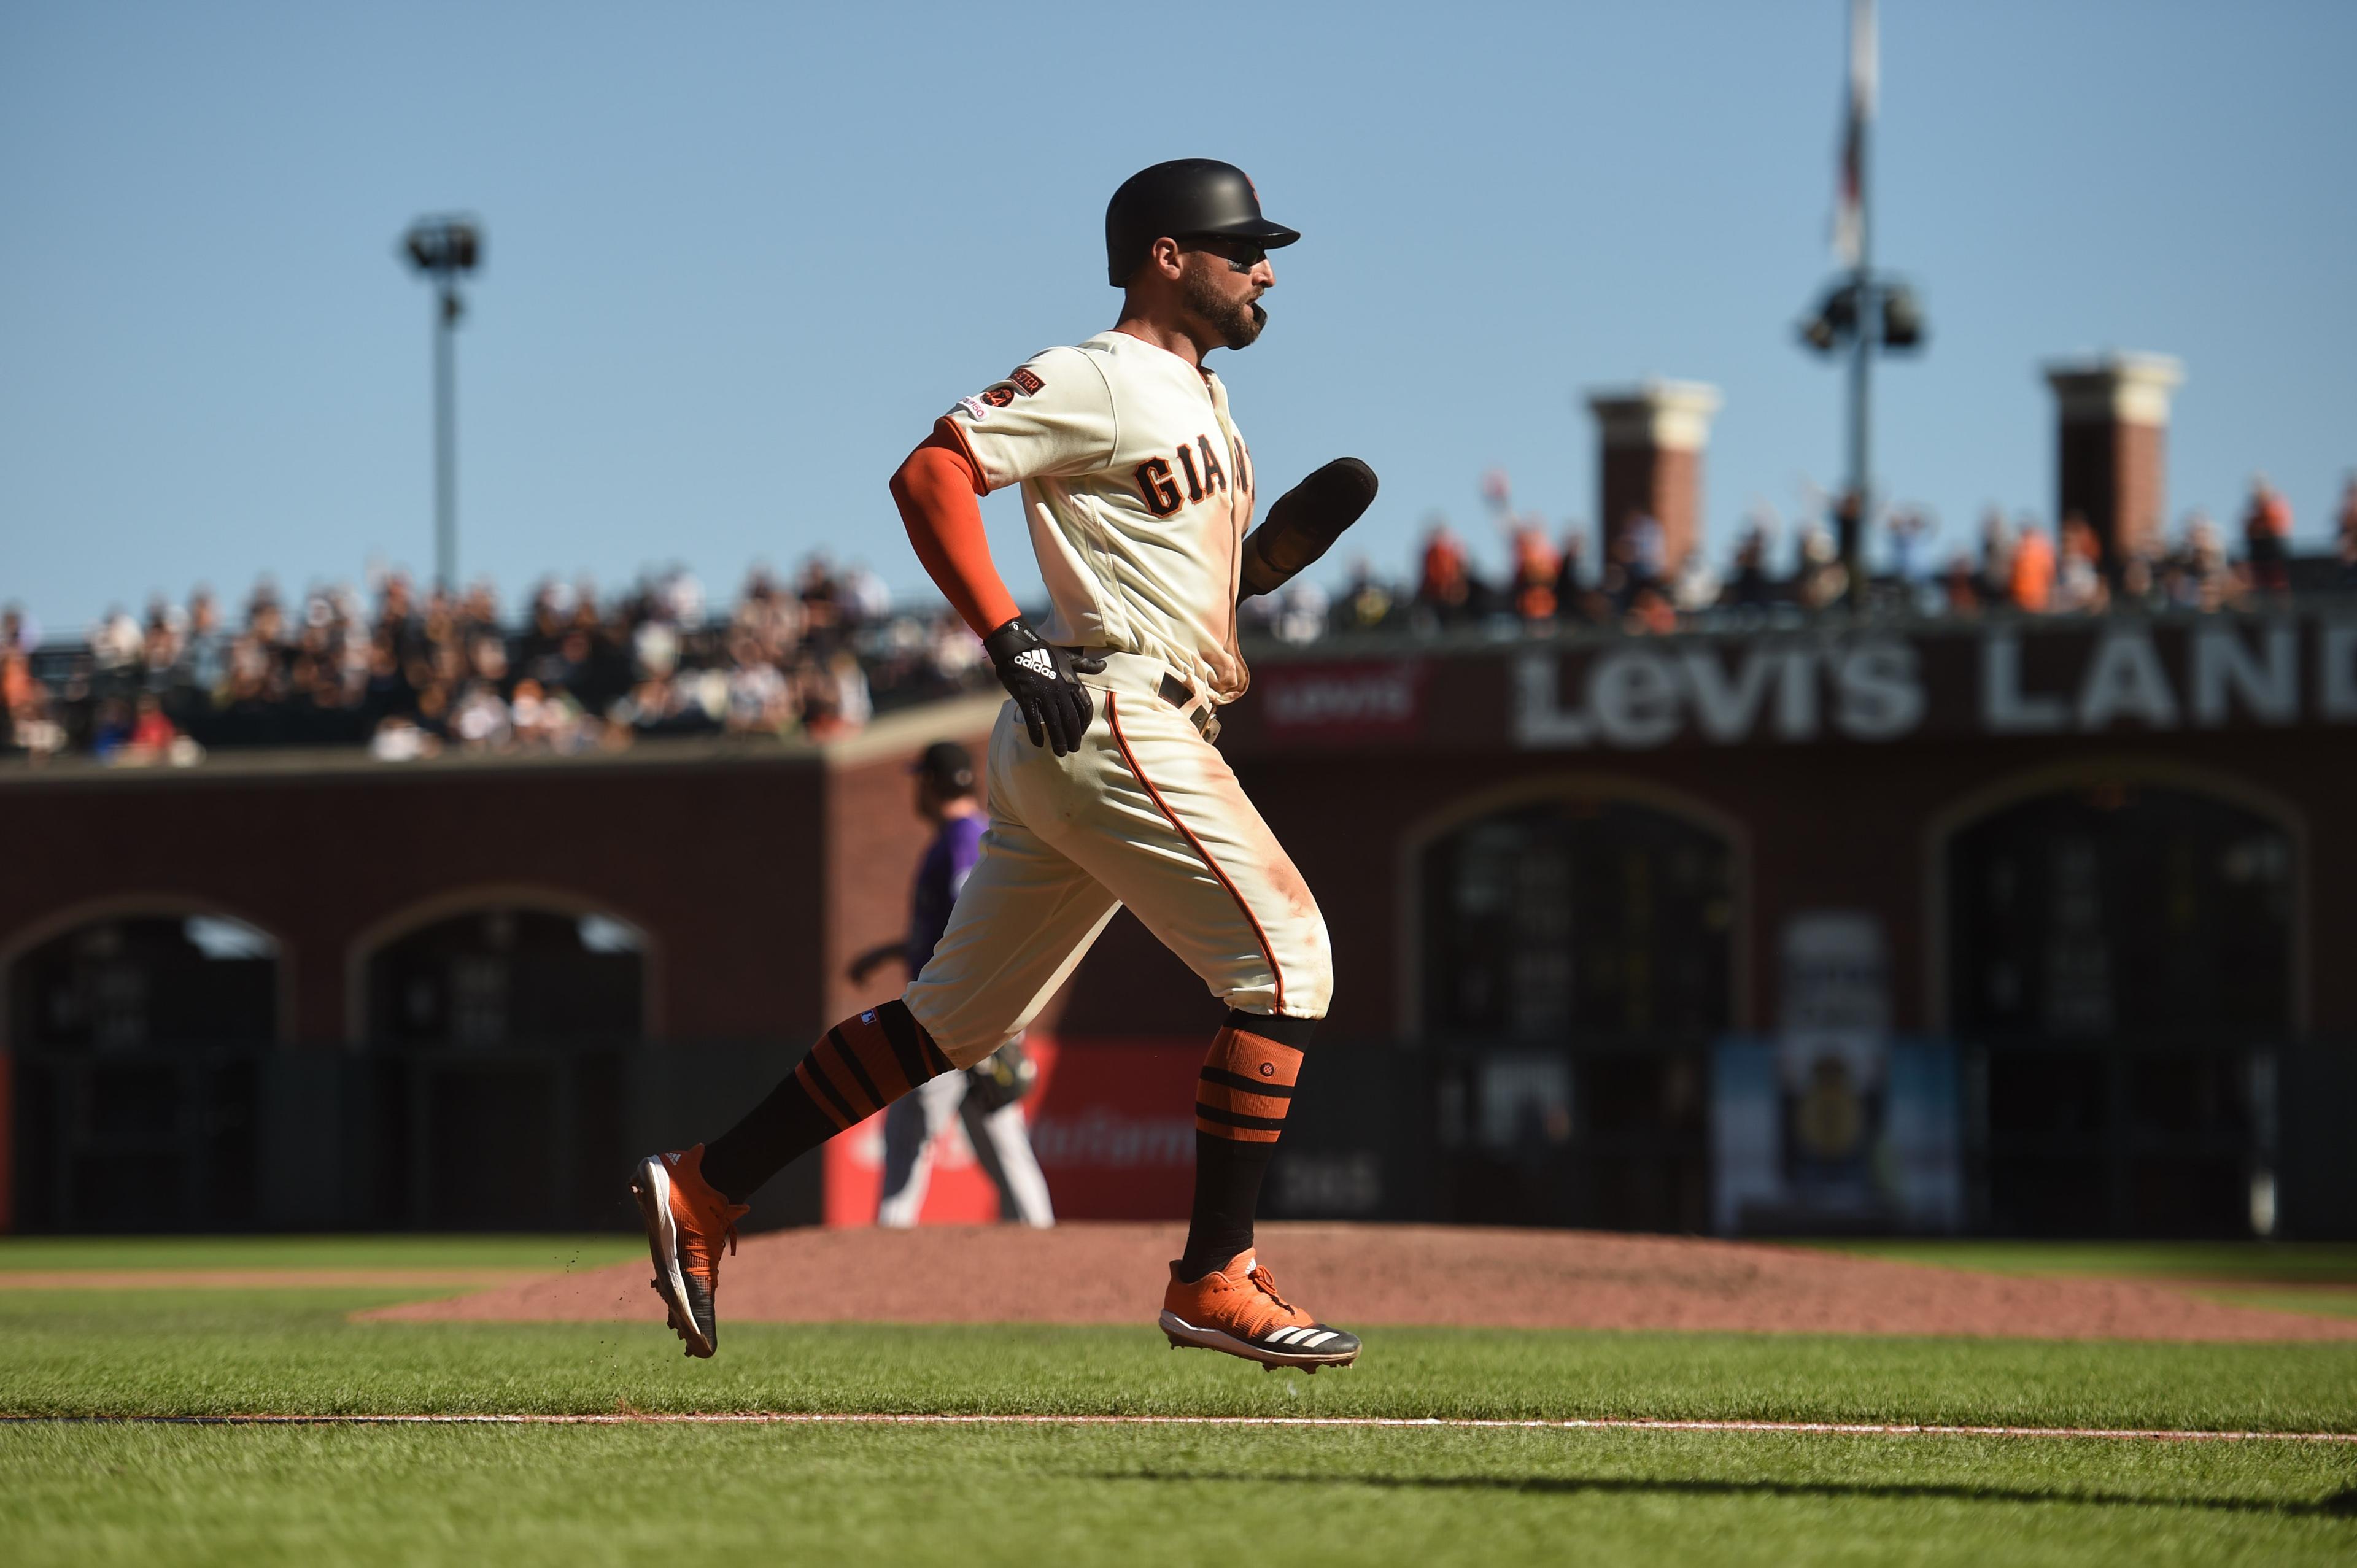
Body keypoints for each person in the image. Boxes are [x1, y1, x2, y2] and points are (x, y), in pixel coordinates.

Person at [631, 158, 1367, 1372]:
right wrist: (1007, 637)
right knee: (1291, 962)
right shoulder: (1104, 372)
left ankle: (709, 1183)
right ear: (1167, 257)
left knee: (951, 1021)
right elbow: (933, 471)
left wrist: (1261, 560)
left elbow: (1181, 581)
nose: (1267, 269)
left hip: (1104, 716)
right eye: (1244, 248)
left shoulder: (1208, 403)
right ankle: (1214, 1273)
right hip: (1111, 705)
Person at [849, 740, 1055, 1229]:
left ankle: (885, 1261)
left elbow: (982, 927)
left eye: (919, 779)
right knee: (1006, 1151)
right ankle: (1046, 1258)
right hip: (973, 1017)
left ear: (930, 783)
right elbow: (960, 929)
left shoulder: (962, 838)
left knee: (905, 1148)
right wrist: (891, 952)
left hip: (946, 1021)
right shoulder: (969, 835)